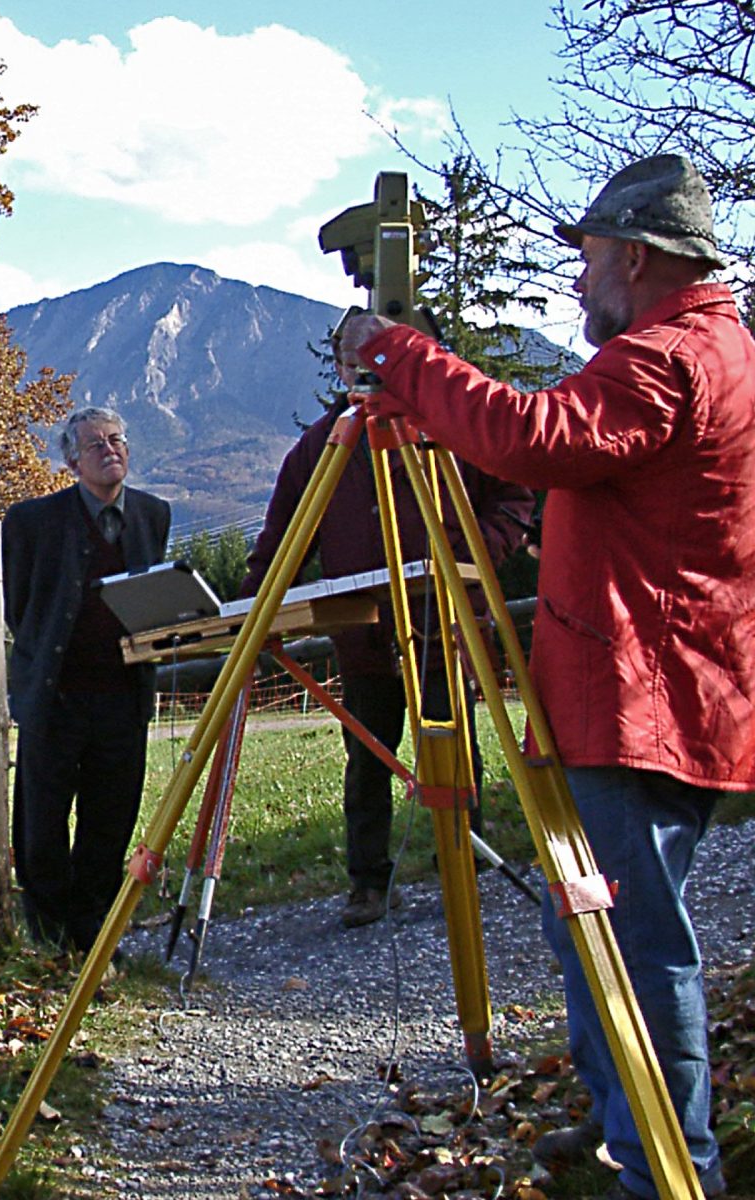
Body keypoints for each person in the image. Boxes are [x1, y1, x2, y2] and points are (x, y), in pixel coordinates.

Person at [342, 154, 750, 1200]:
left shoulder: (669, 357)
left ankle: (671, 1165)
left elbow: (537, 439)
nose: (576, 280)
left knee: (637, 942)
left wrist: (402, 355)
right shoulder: (711, 346)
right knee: (593, 920)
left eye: (590, 256)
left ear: (639, 257)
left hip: (645, 695)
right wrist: (427, 399)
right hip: (645, 682)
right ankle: (630, 1126)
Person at [240, 312, 533, 928]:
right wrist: (253, 608)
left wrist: (467, 555)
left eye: (369, 353)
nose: (357, 366)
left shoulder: (449, 428)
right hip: (363, 634)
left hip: (442, 620)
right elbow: (283, 539)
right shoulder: (321, 445)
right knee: (366, 756)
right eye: (347, 355)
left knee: (453, 748)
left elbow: (514, 499)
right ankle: (368, 883)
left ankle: (464, 869)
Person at [2, 406, 171, 955]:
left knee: (111, 818)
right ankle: (49, 936)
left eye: (117, 440)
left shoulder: (153, 514)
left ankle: (93, 932)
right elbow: (20, 605)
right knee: (42, 822)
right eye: (95, 444)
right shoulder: (31, 522)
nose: (110, 450)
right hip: (54, 698)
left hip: (123, 697)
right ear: (72, 460)